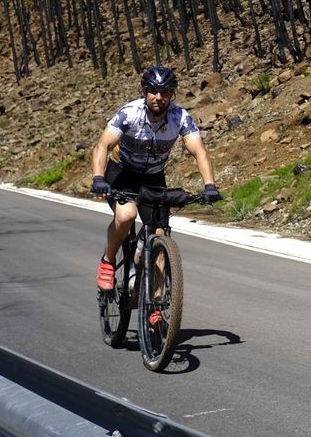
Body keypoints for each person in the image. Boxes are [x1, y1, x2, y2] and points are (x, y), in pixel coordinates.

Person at [89, 65, 221, 290]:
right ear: (144, 92)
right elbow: (103, 146)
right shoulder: (129, 113)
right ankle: (108, 261)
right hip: (121, 172)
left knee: (160, 234)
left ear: (172, 95)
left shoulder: (179, 117)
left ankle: (157, 309)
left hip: (153, 176)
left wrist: (210, 185)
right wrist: (98, 178)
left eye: (165, 92)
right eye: (153, 91)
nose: (159, 97)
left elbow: (199, 151)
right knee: (127, 214)